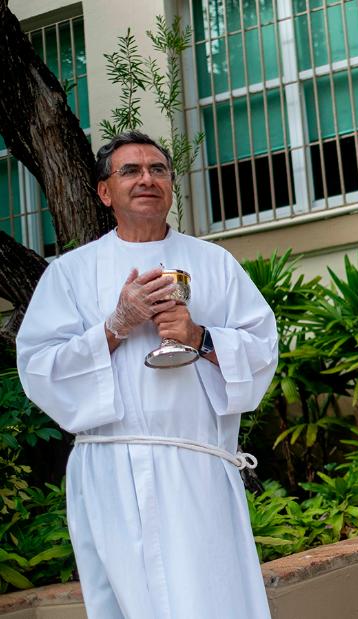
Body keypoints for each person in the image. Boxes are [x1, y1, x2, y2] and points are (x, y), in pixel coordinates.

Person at [16, 131, 277, 618]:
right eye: (130, 171)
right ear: (104, 191)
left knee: (210, 602)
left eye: (158, 170)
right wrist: (115, 327)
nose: (146, 180)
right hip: (109, 471)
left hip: (196, 471)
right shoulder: (70, 274)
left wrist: (200, 337)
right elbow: (39, 369)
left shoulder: (214, 263)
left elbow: (262, 349)